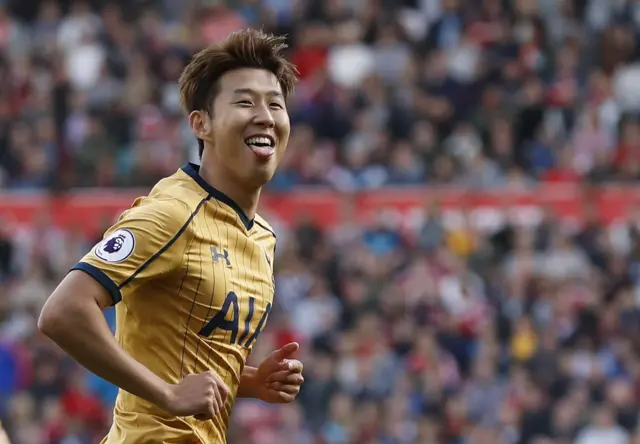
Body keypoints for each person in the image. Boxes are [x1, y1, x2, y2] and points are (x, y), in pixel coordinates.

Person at [38, 29, 304, 444]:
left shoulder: (263, 237)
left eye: (275, 103)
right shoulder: (172, 213)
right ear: (202, 124)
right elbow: (62, 312)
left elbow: (182, 356)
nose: (265, 115)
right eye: (245, 101)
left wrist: (248, 381)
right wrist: (165, 395)